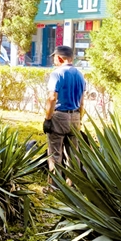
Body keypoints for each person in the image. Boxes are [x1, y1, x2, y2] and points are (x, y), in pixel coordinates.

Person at [43, 45, 86, 186]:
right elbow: (82, 102)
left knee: (55, 153)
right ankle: (71, 186)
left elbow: (52, 98)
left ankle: (54, 186)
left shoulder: (57, 74)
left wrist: (47, 119)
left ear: (60, 58)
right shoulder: (80, 75)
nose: (54, 60)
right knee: (73, 153)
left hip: (60, 116)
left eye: (55, 58)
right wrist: (79, 119)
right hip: (75, 117)